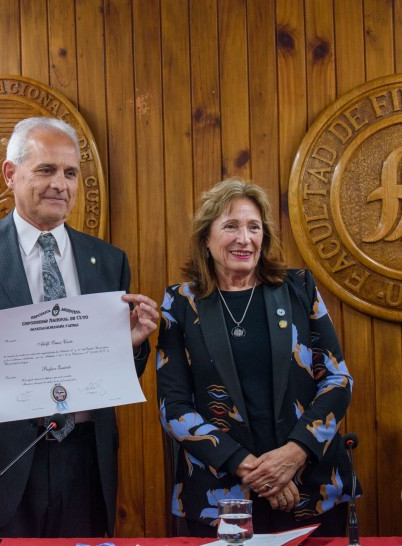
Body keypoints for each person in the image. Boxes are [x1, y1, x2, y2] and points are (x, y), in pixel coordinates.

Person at [0, 117, 159, 538]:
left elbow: (114, 376)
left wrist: (129, 345)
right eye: (46, 170)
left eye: (70, 172)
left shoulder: (108, 260)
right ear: (10, 174)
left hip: (84, 467)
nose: (60, 183)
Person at [156, 178, 358, 536]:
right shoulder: (180, 303)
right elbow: (173, 407)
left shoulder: (299, 288)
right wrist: (250, 467)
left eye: (254, 227)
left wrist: (295, 453)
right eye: (230, 226)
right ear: (206, 237)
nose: (244, 238)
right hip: (220, 498)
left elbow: (337, 379)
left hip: (310, 488)